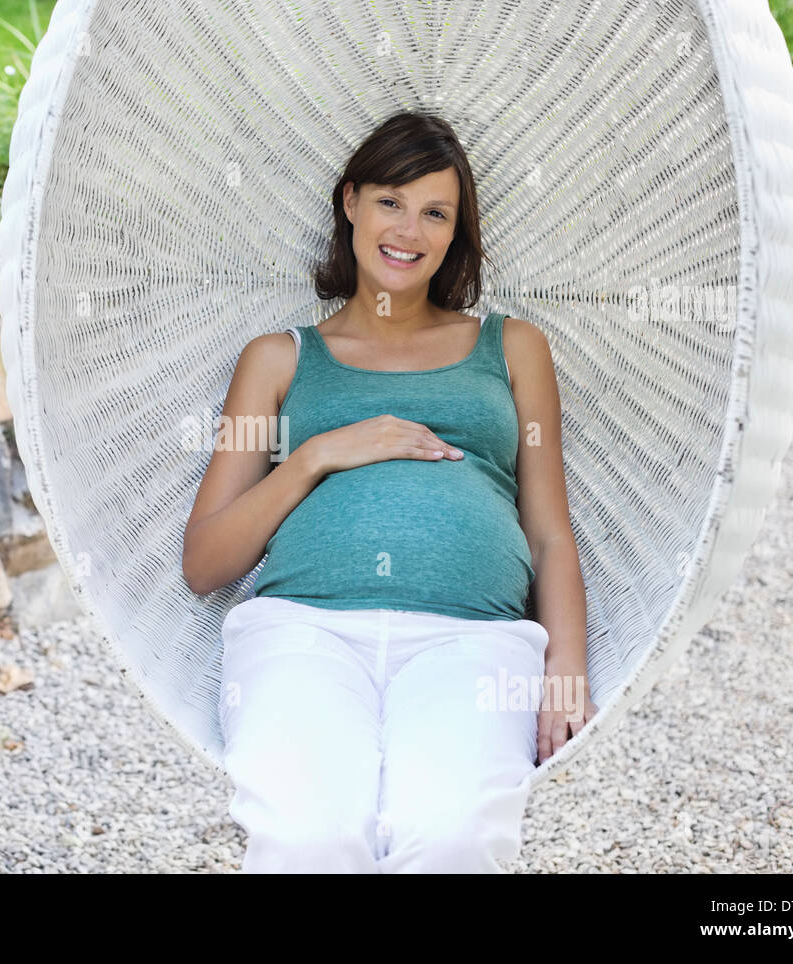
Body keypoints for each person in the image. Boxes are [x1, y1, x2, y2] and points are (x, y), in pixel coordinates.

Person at [182, 110, 598, 873]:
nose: (409, 229)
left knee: (452, 839)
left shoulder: (512, 347)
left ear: (454, 233)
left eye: (435, 212)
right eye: (390, 201)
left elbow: (549, 531)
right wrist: (316, 455)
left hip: (474, 637)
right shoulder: (276, 361)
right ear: (350, 203)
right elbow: (206, 560)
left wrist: (565, 668)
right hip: (304, 632)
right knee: (311, 839)